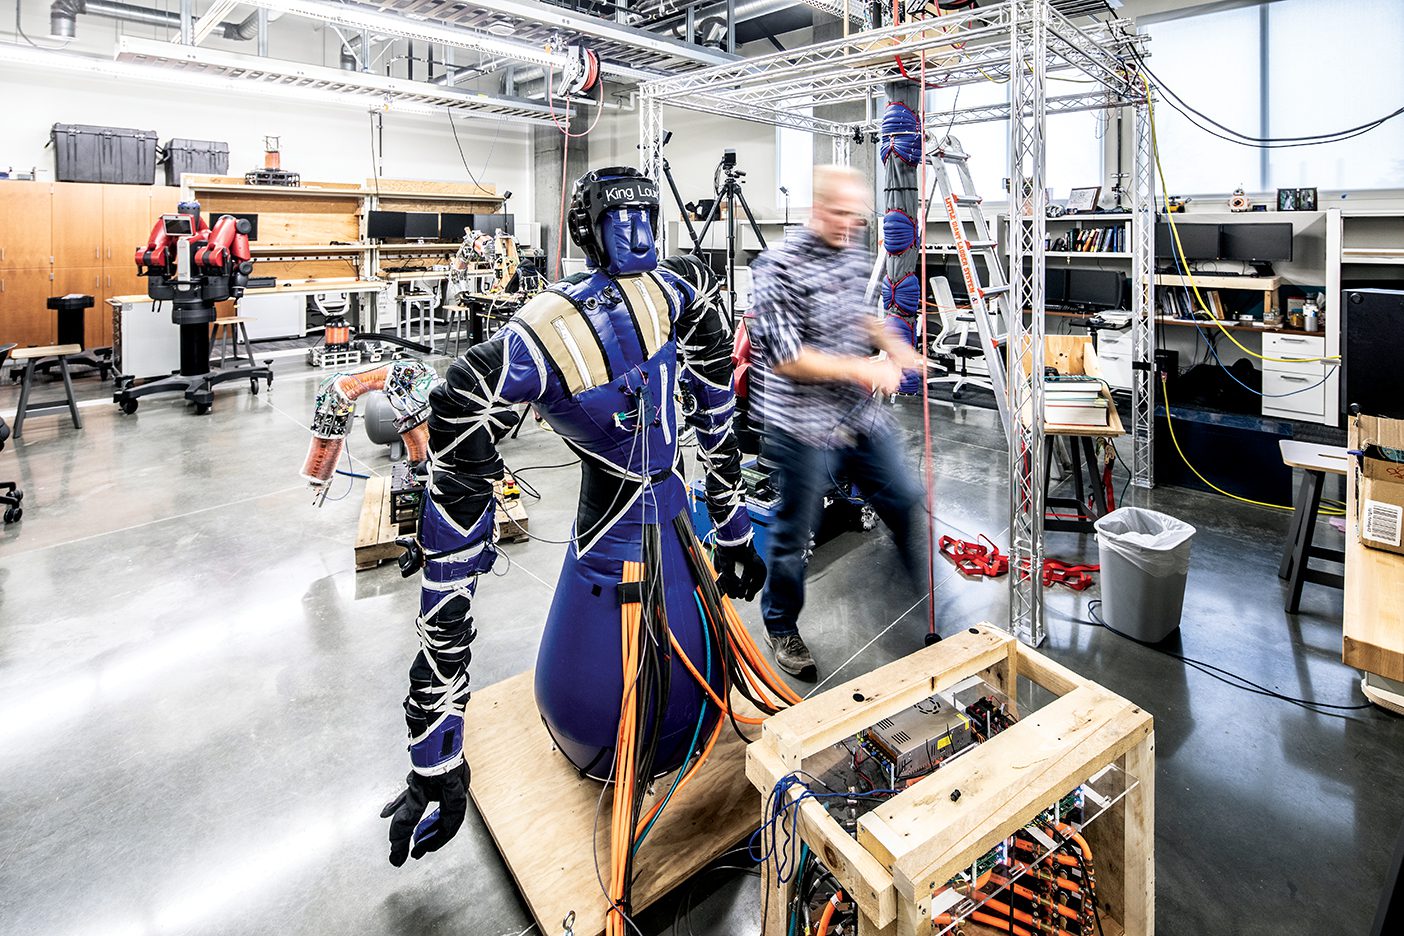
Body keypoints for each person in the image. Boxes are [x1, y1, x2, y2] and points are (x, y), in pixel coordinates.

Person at [746, 164, 930, 680]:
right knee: (794, 532)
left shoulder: (853, 255)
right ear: (818, 207)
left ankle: (917, 610)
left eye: (858, 218)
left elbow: (863, 317)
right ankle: (781, 623)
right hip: (801, 425)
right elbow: (787, 358)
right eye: (841, 214)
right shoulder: (776, 266)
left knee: (904, 498)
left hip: (858, 416)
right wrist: (862, 367)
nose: (850, 226)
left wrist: (897, 347)